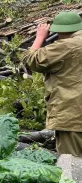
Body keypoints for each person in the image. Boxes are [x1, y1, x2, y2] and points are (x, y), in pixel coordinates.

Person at [21, 11, 82, 157]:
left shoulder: (65, 46)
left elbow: (30, 60)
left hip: (72, 112)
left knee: (72, 163)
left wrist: (40, 37)